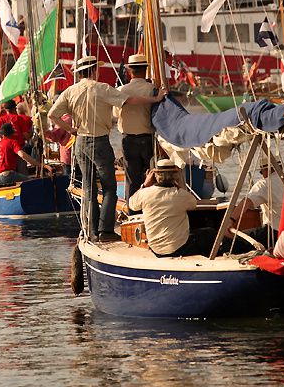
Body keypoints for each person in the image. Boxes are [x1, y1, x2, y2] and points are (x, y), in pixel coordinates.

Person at [48, 55, 167, 242]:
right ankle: (106, 231)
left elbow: (52, 115)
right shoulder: (101, 89)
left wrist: (71, 129)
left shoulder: (70, 91)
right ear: (94, 70)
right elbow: (130, 101)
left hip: (80, 143)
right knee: (109, 187)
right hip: (100, 141)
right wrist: (156, 98)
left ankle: (92, 231)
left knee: (88, 188)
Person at [127, 160, 216, 257]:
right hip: (179, 248)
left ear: (155, 175)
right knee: (210, 233)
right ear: (175, 176)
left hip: (156, 249)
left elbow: (132, 204)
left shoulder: (144, 194)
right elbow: (193, 204)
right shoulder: (181, 195)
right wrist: (179, 184)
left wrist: (144, 185)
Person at [115, 54, 157, 199]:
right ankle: (148, 207)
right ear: (145, 70)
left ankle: (132, 210)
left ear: (129, 70)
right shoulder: (152, 89)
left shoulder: (121, 90)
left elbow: (116, 114)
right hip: (147, 139)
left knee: (131, 179)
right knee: (149, 176)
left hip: (128, 140)